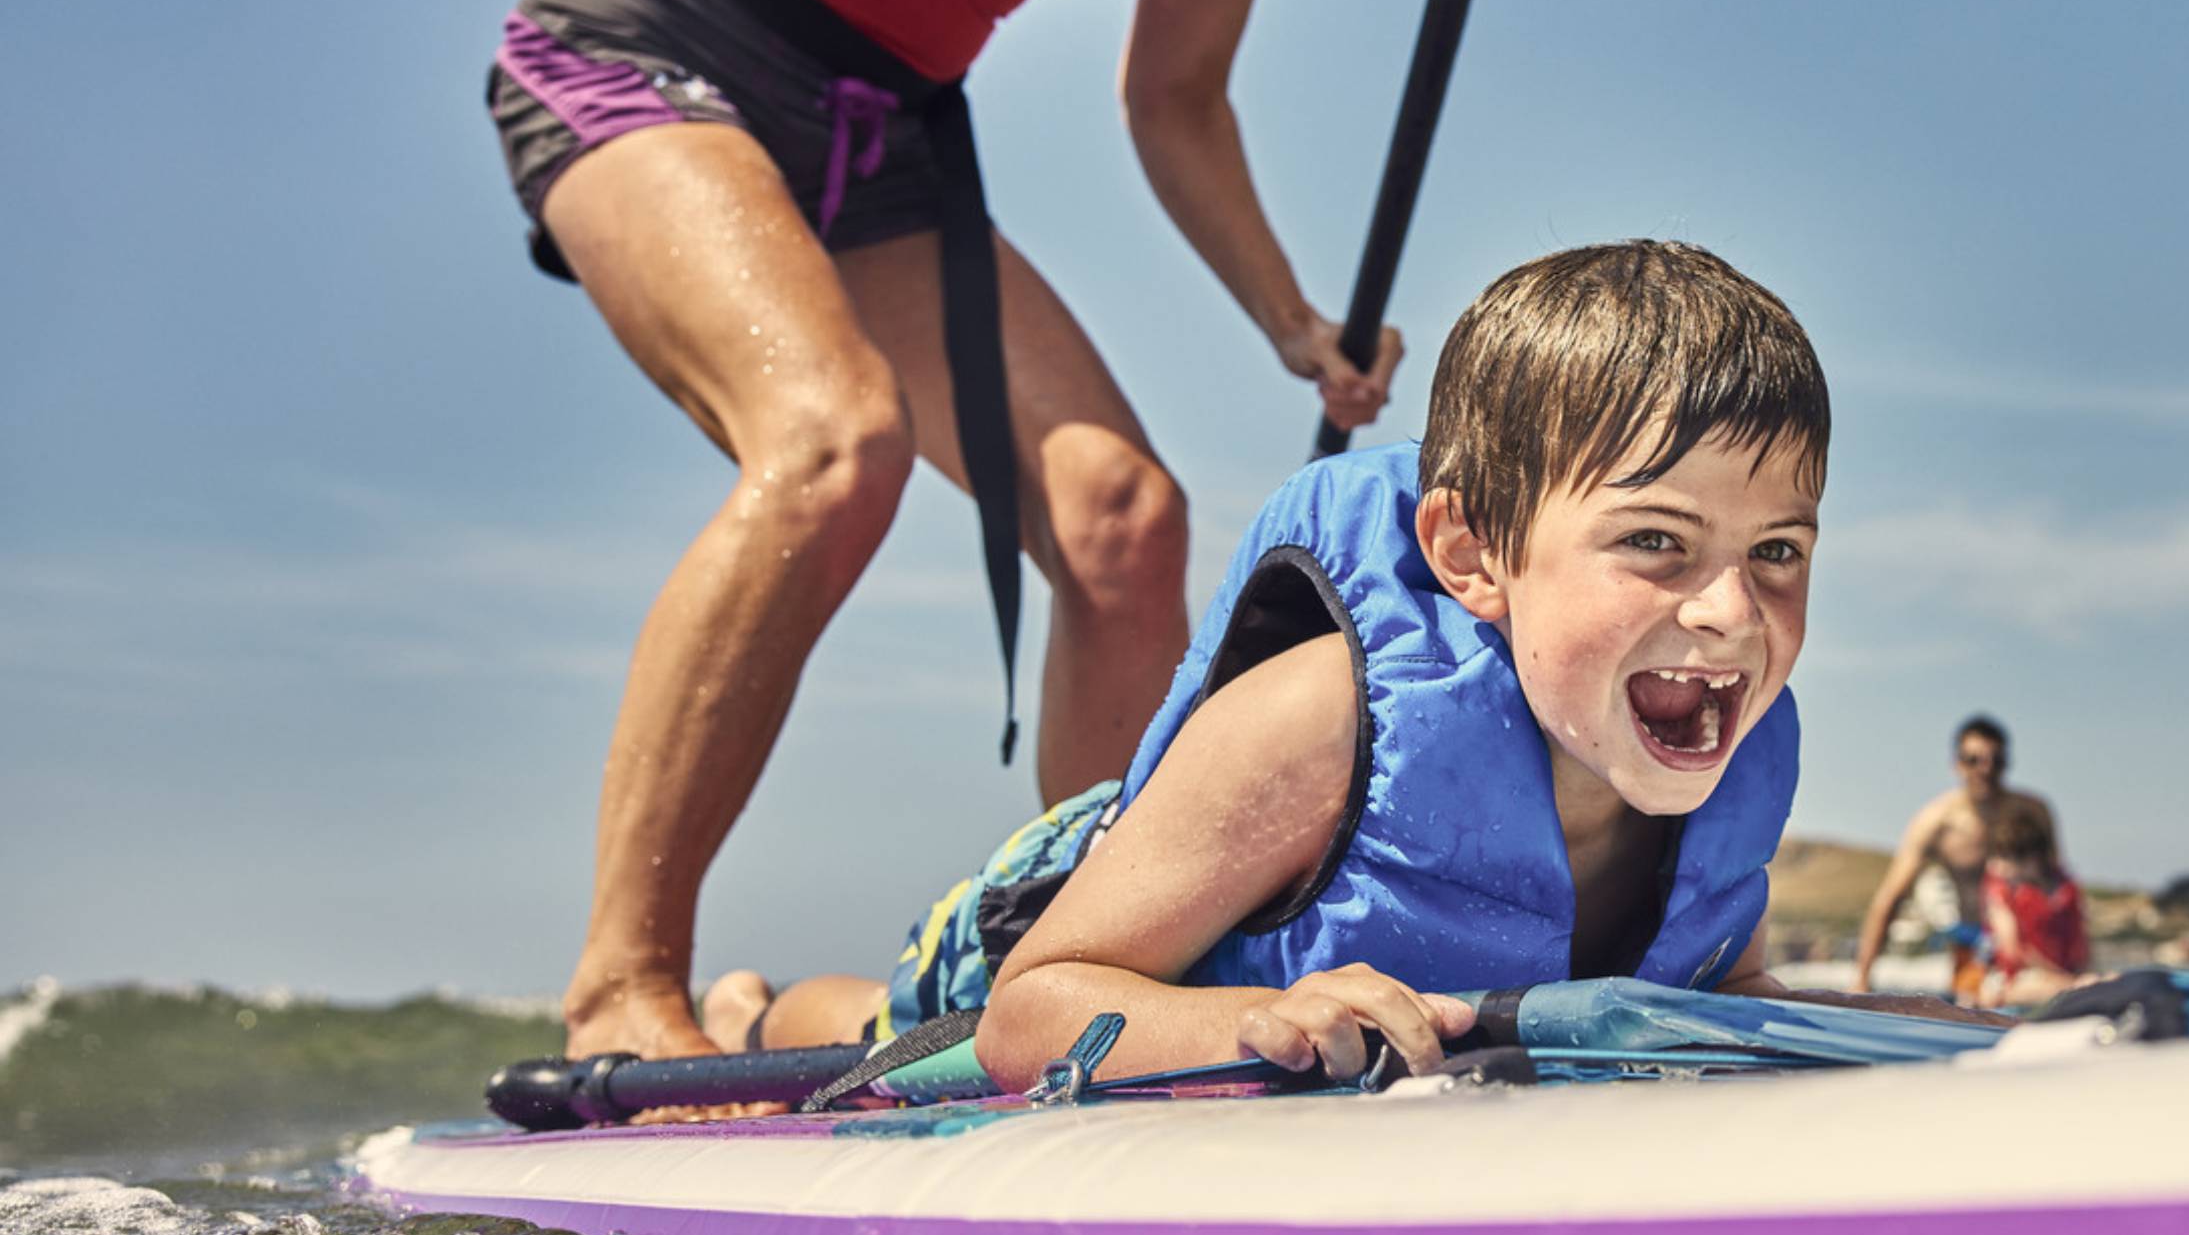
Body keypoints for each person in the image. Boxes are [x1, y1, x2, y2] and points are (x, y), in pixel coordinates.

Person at [488, 0, 1402, 1065]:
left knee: (1120, 520)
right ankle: (623, 982)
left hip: (879, 130)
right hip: (647, 30)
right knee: (833, 444)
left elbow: (1175, 96)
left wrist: (1291, 320)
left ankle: (1100, 973)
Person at [714, 241, 1930, 1082]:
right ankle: (752, 1007)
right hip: (1063, 912)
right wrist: (1255, 1018)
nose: (1730, 613)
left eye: (1777, 550)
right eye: (1655, 541)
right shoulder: (1322, 725)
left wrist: (1916, 1039)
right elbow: (1029, 1014)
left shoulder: (1731, 739)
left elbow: (1722, 982)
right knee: (883, 1028)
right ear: (1471, 554)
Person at [1852, 715, 2061, 994]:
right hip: (1975, 952)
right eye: (1973, 760)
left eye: (1995, 760)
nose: (1985, 769)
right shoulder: (1935, 822)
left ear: (2007, 762)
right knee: (1976, 1005)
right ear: (1957, 764)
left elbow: (2060, 889)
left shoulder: (2032, 813)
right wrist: (1862, 978)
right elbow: (1890, 899)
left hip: (2035, 951)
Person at [1979, 807, 2090, 1006]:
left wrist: (2075, 976)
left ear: (2033, 859)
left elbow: (2080, 943)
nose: (1994, 866)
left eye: (2004, 858)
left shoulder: (2065, 890)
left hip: (2057, 976)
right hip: (2015, 978)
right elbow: (2013, 950)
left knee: (2092, 984)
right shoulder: (2001, 891)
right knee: (2073, 988)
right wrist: (2066, 980)